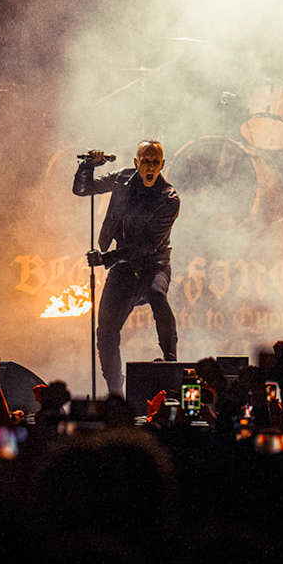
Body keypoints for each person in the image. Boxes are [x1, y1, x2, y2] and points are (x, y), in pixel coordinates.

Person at [76, 139, 180, 401]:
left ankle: (170, 360)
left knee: (157, 295)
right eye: (146, 161)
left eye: (156, 162)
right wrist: (88, 166)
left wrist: (106, 258)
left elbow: (146, 246)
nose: (150, 167)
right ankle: (114, 391)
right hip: (123, 270)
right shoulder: (121, 179)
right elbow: (82, 189)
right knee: (106, 329)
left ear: (162, 165)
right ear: (136, 162)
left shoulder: (169, 198)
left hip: (153, 265)